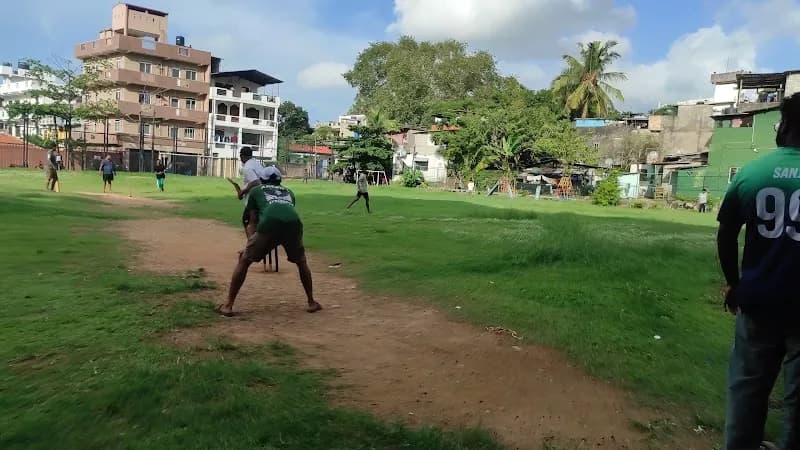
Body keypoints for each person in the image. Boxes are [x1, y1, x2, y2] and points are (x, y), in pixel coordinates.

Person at [717, 93, 800, 450]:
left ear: (785, 126)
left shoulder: (752, 172)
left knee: (747, 391)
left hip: (759, 301)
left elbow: (725, 233)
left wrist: (734, 284)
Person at [217, 166, 322, 316]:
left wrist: (250, 243)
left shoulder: (256, 191)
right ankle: (311, 302)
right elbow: (284, 215)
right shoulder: (289, 192)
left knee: (244, 260)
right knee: (301, 262)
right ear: (280, 180)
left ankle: (228, 305)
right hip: (294, 223)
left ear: (262, 179)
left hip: (270, 224)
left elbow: (252, 220)